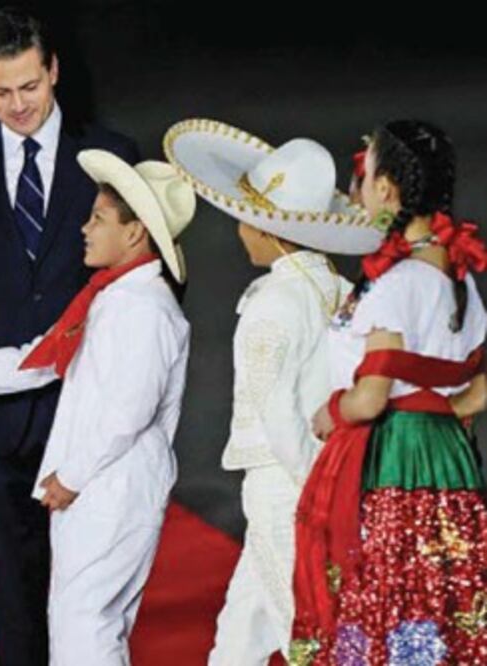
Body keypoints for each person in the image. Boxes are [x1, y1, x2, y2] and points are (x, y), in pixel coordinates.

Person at [0, 8, 138, 663]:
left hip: (90, 419)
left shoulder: (112, 158)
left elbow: (149, 289)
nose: (17, 105)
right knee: (12, 610)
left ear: (53, 72)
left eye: (29, 87)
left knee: (93, 605)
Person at [0, 150, 194, 664]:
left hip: (112, 483)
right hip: (103, 482)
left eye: (98, 218)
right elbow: (39, 359)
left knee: (87, 628)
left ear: (136, 233)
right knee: (86, 626)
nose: (84, 228)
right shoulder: (110, 298)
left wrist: (71, 475)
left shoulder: (144, 309)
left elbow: (130, 409)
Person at [163, 120, 381, 663]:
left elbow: (277, 409)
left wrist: (316, 488)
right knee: (241, 630)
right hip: (322, 470)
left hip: (285, 481)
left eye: (246, 221)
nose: (240, 231)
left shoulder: (270, 304)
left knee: (304, 628)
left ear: (270, 231)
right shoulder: (342, 290)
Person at [289, 120, 487, 664]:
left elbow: (371, 395)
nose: (358, 190)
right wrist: (444, 411)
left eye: (365, 175)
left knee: (386, 600)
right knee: (445, 598)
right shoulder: (460, 279)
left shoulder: (396, 287)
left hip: (392, 458)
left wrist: (333, 411)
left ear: (386, 190)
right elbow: (479, 384)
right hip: (450, 458)